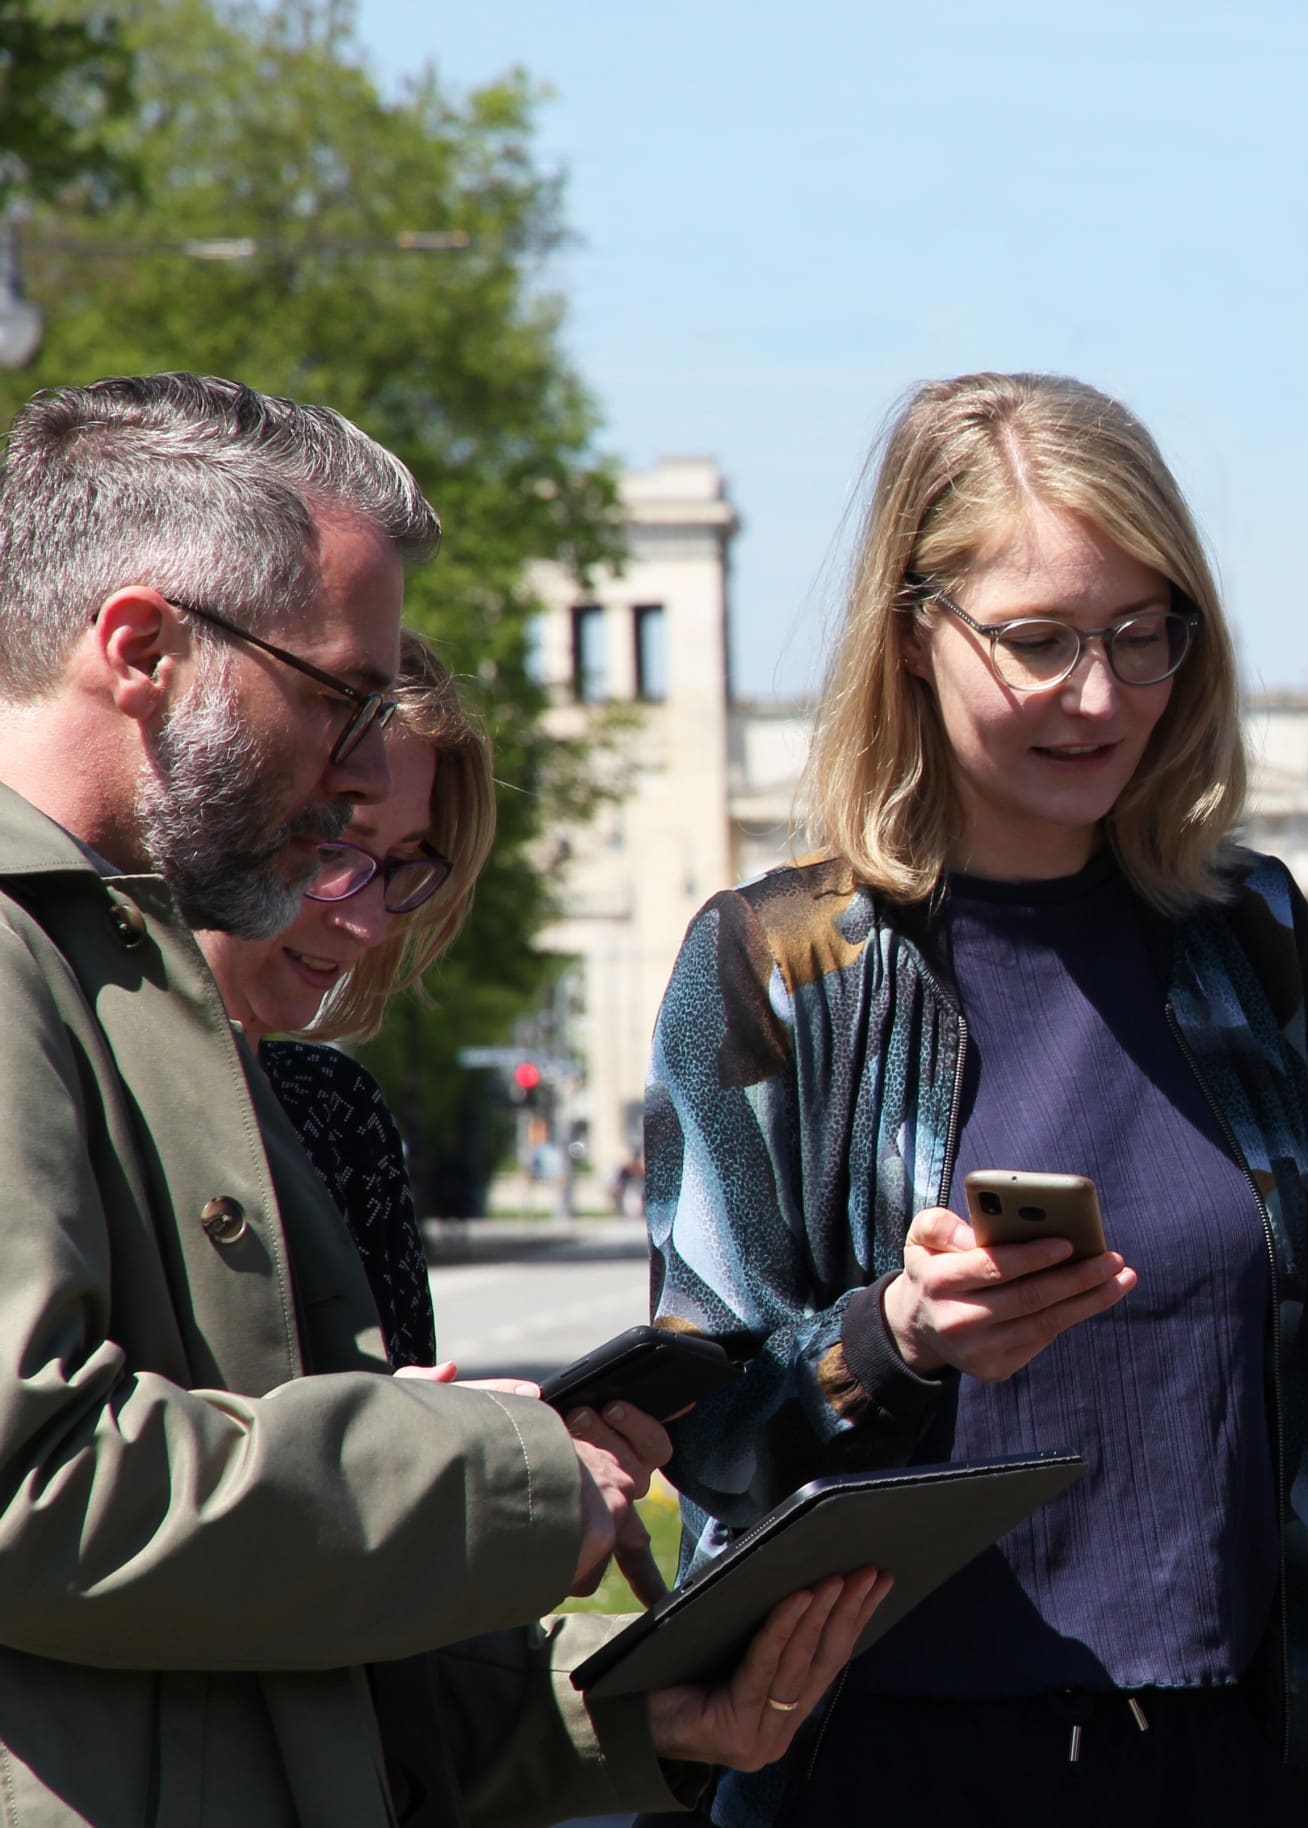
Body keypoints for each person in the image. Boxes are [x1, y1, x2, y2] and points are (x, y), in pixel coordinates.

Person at [0, 373, 880, 1828]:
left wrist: (633, 1722)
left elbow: (262, 1651)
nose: (356, 766)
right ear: (144, 650)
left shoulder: (132, 972)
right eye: (338, 696)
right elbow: (31, 1485)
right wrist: (501, 1476)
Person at [648, 372, 1308, 1828]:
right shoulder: (782, 960)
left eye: (1146, 636)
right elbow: (694, 1424)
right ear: (912, 634)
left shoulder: (1247, 935)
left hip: (1237, 1761)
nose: (1103, 695)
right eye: (1039, 642)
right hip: (883, 1764)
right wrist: (894, 1337)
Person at [196, 628, 489, 1370]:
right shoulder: (65, 1066)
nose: (368, 922)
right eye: (332, 847)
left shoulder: (336, 1108)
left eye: (401, 865)